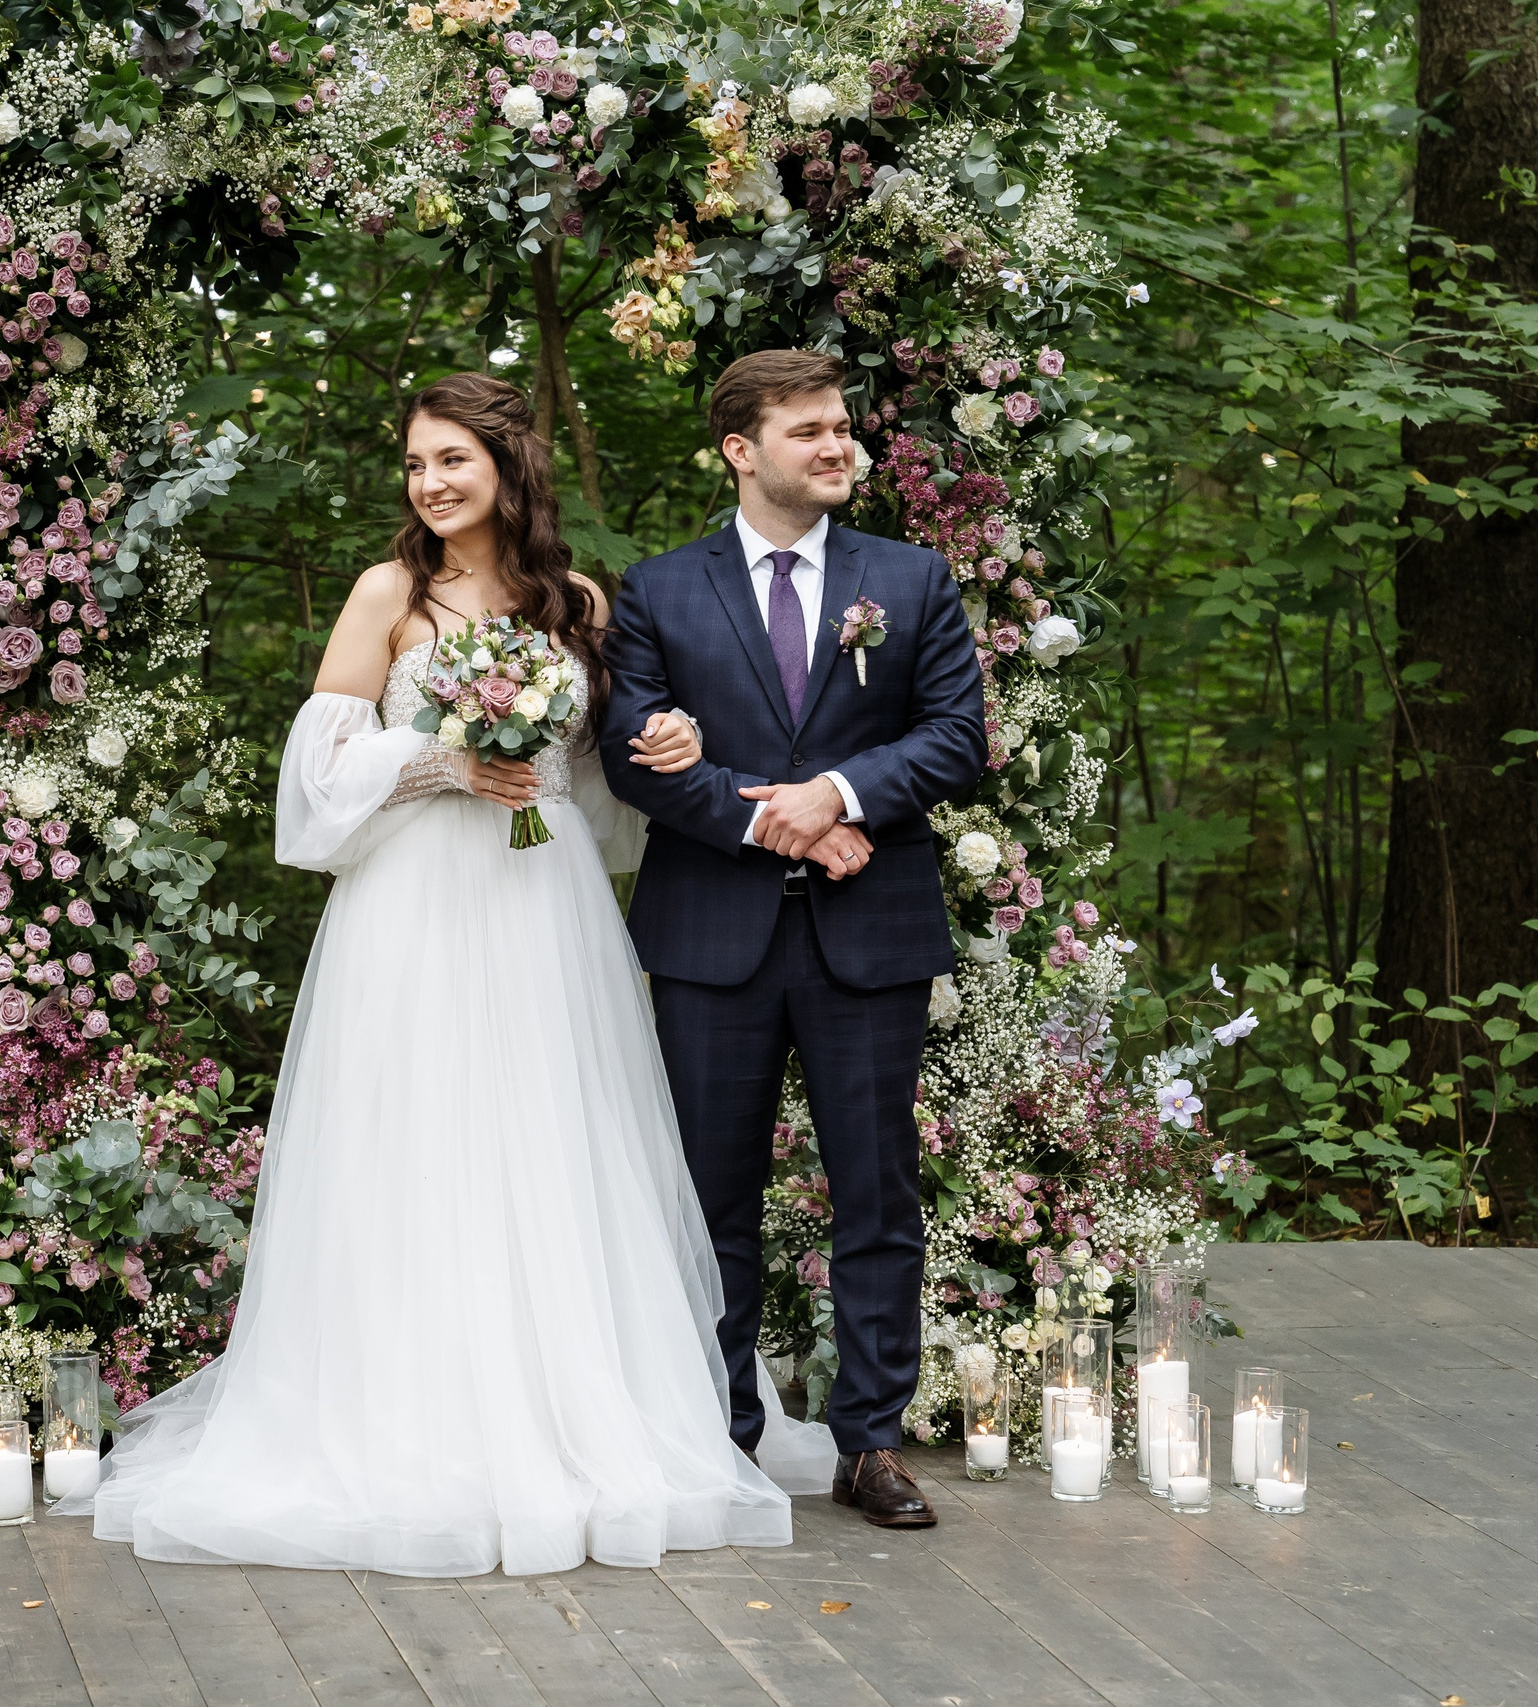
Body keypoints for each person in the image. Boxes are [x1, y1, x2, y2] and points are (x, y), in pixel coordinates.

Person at [81, 373, 830, 1577]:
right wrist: (435, 757)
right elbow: (316, 778)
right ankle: (404, 1423)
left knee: (547, 1136)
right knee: (415, 1137)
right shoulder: (389, 592)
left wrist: (664, 744)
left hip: (545, 905)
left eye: (452, 461)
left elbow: (604, 774)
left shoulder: (579, 601)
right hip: (415, 906)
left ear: (505, 464)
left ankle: (579, 1413)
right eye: (416, 464)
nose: (430, 484)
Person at [598, 349, 988, 1529]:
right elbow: (635, 755)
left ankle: (869, 1444)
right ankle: (715, 1439)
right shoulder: (659, 591)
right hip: (709, 938)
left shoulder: (909, 580)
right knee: (707, 1201)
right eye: (809, 430)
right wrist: (791, 825)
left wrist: (839, 793)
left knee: (876, 1194)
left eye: (842, 429)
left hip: (870, 937)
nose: (837, 447)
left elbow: (956, 737)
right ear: (739, 448)